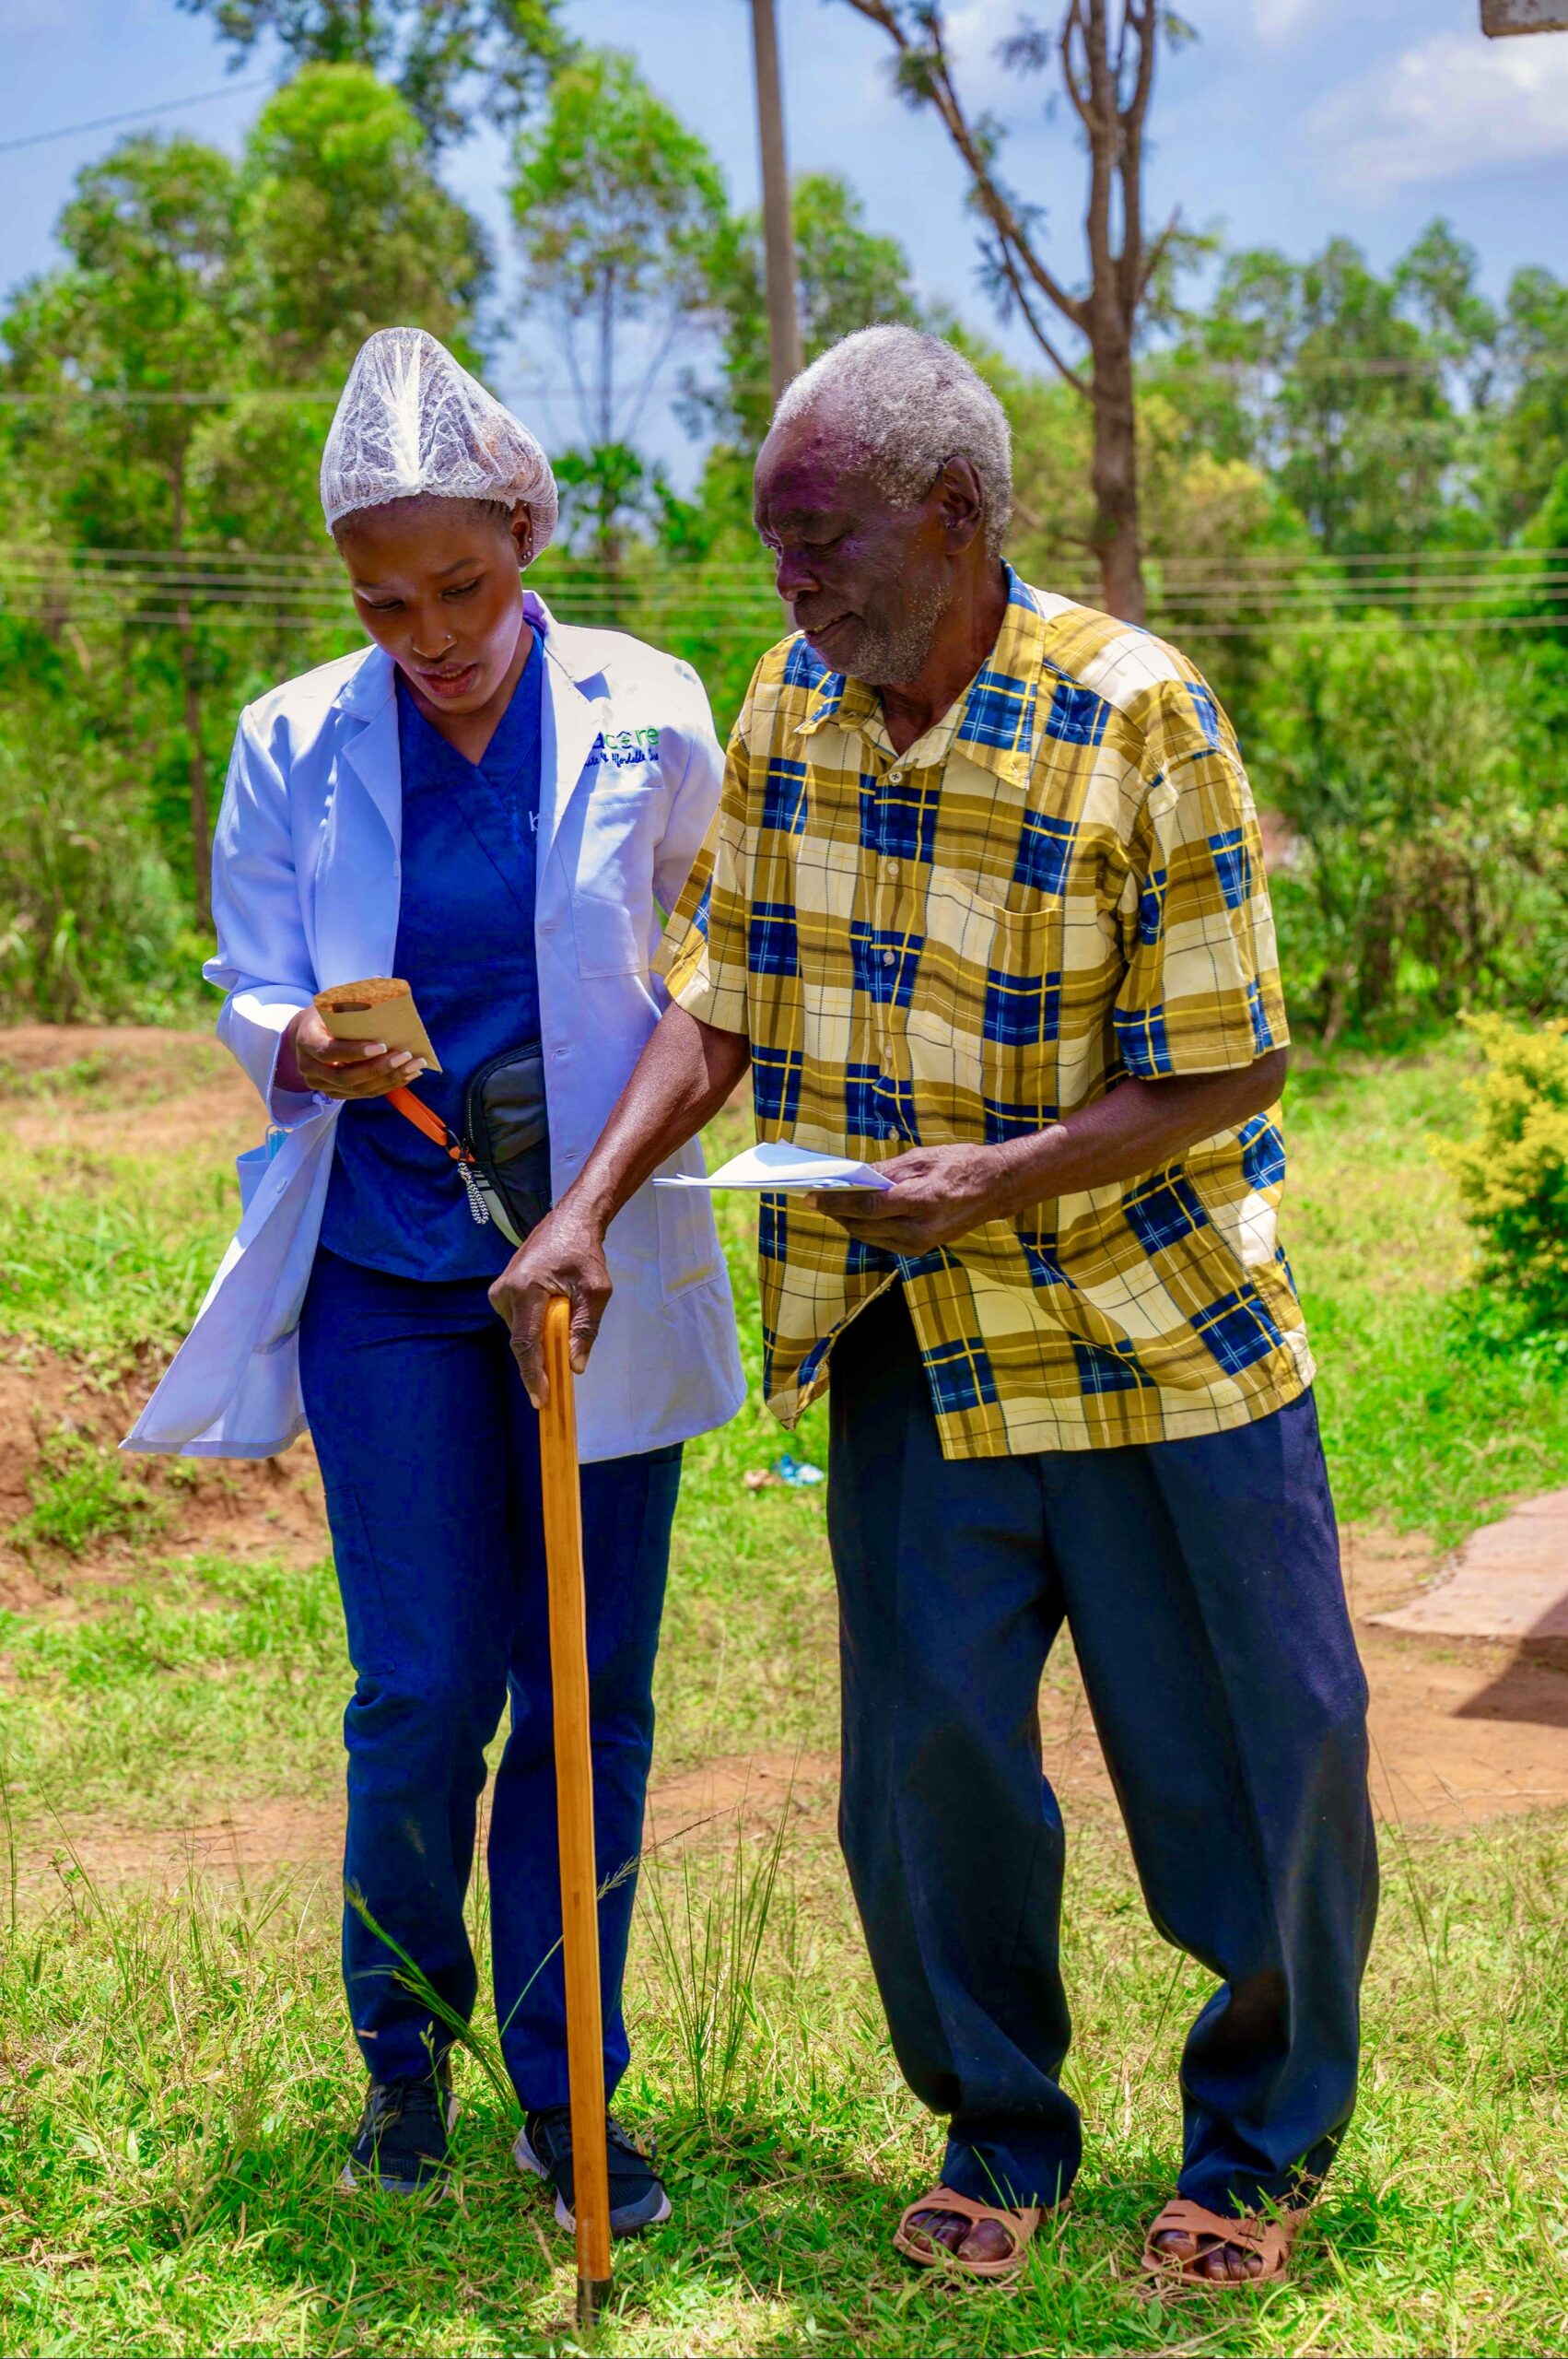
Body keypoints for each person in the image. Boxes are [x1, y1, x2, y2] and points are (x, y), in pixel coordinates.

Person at [491, 326, 1379, 2291]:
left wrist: (993, 1173)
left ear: (957, 517)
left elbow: (1229, 1063)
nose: (790, 588)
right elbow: (718, 996)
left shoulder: (1135, 713)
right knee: (930, 1759)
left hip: (1146, 1326)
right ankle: (998, 2117)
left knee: (1251, 1743)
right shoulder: (792, 708)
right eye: (772, 548)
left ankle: (1252, 2143)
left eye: (820, 543)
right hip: (912, 1337)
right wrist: (580, 1205)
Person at [127, 326, 744, 2226]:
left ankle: (572, 2093)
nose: (430, 630)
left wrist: (592, 1204)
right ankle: (403, 2056)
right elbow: (248, 979)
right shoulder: (293, 736)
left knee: (589, 1690)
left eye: (462, 585)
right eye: (387, 599)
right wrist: (290, 1047)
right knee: (417, 1688)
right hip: (393, 1272)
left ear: (529, 530)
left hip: (594, 1269)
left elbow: (713, 975)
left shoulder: (651, 705)